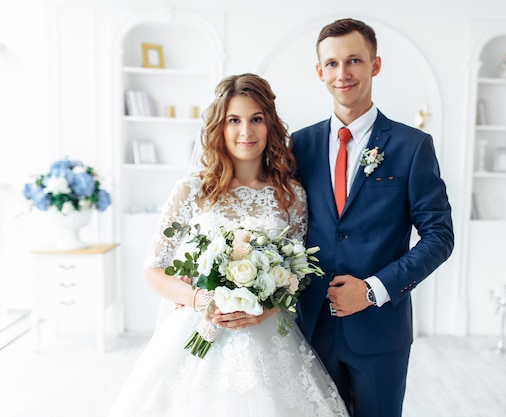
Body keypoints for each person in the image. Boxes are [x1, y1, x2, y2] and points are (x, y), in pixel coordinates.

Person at [107, 73, 349, 417]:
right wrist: (200, 298)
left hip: (268, 335)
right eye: (234, 120)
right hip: (201, 329)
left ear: (270, 125)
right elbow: (153, 270)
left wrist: (267, 308)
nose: (246, 132)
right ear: (219, 127)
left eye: (256, 120)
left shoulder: (291, 195)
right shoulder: (193, 189)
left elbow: (296, 274)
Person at [291, 18, 455, 417]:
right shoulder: (299, 145)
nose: (342, 73)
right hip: (308, 328)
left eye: (354, 61)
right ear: (319, 72)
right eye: (331, 64)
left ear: (374, 65)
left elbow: (439, 236)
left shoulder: (412, 146)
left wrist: (371, 290)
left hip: (380, 332)